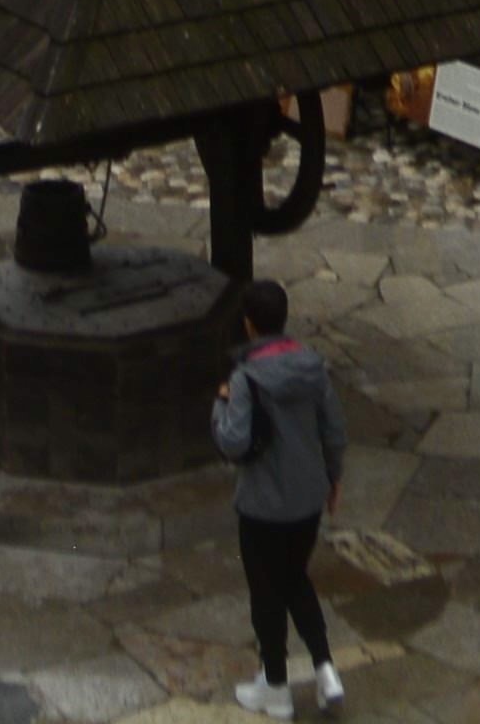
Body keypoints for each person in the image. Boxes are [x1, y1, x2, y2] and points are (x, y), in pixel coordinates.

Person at [212, 278, 349, 717]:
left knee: (266, 592)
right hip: (307, 500)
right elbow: (333, 430)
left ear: (249, 324)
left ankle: (275, 686)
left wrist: (220, 404)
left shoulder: (245, 378)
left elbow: (233, 442)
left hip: (263, 506)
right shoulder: (313, 368)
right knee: (294, 579)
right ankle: (325, 669)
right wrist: (333, 477)